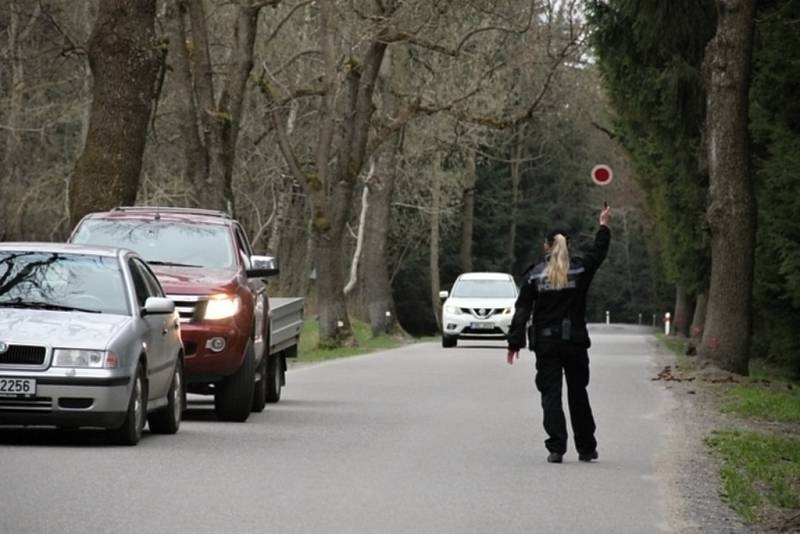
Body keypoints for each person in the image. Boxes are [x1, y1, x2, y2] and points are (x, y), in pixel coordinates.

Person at [506, 205, 611, 463]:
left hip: (546, 343)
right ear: (569, 245)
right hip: (574, 342)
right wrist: (604, 226)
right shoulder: (580, 270)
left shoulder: (534, 276)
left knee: (550, 394)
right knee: (578, 394)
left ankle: (556, 448)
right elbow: (598, 253)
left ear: (546, 246)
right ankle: (586, 448)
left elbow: (522, 310)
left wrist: (514, 343)